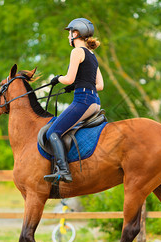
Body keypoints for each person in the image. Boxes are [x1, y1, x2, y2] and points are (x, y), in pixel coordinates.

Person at [44, 17, 104, 184]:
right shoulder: (92, 56)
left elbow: (69, 78)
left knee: (52, 132)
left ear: (75, 33)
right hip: (94, 102)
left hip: (83, 100)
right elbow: (100, 85)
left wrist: (57, 79)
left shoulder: (77, 52)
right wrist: (78, 84)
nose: (68, 36)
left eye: (69, 32)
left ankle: (64, 171)